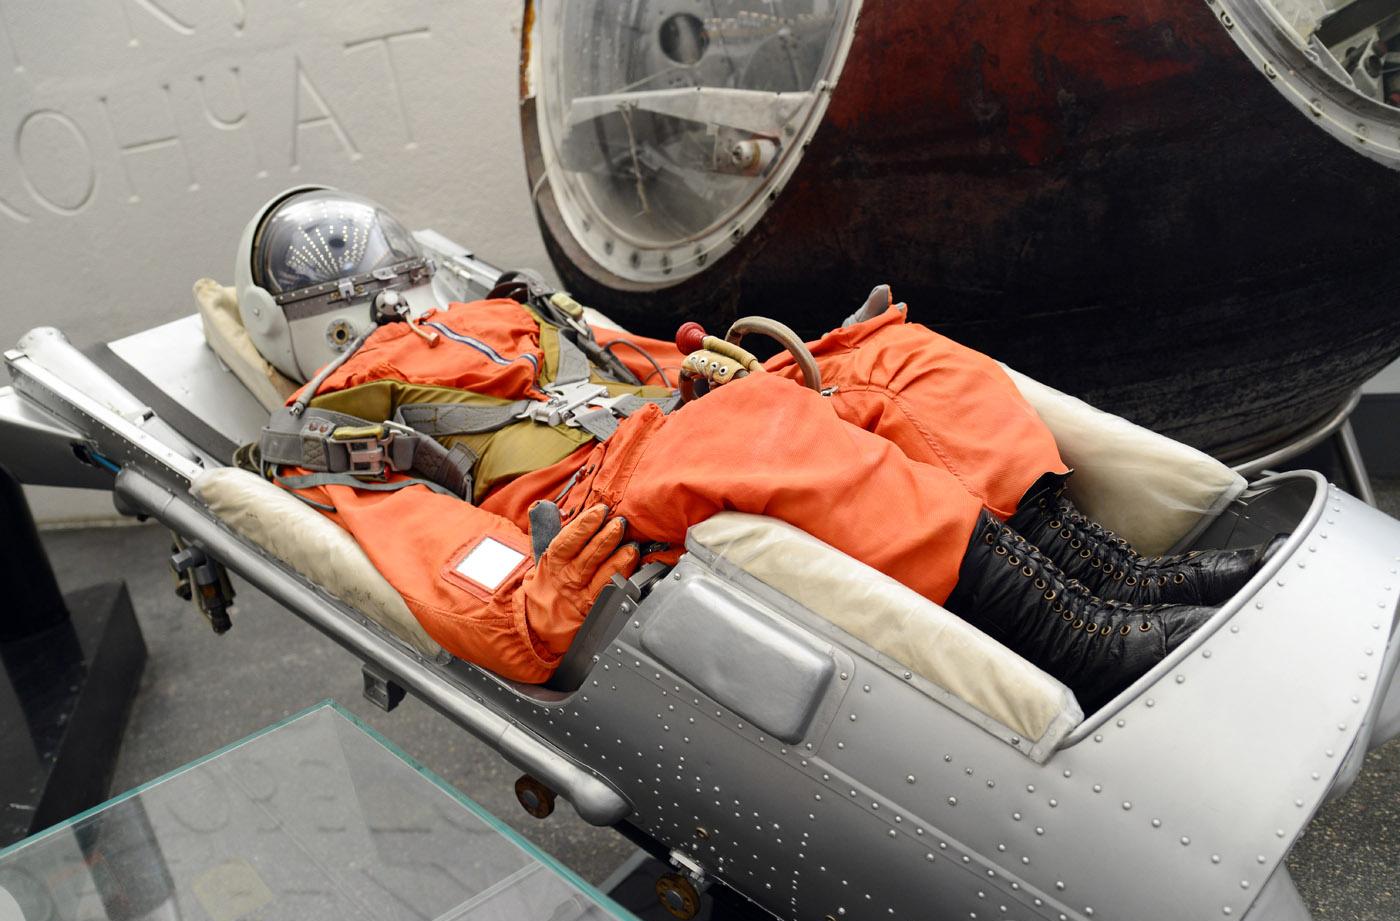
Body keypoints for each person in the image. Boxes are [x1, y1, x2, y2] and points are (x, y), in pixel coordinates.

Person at [238, 188, 1275, 711]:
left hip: (668, 423)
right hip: (598, 505)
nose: (390, 301)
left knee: (898, 355)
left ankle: (1107, 575)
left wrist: (770, 366)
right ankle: (1080, 638)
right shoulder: (334, 428)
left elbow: (641, 364)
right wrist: (529, 600)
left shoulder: (501, 314)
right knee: (750, 422)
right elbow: (434, 554)